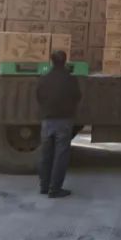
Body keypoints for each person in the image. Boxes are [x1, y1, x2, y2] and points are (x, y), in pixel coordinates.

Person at [35, 50, 81, 198]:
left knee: (45, 154)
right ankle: (55, 189)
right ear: (65, 61)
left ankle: (44, 186)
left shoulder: (44, 79)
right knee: (61, 155)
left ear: (51, 61)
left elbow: (38, 96)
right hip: (64, 120)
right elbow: (77, 96)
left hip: (47, 120)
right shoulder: (71, 79)